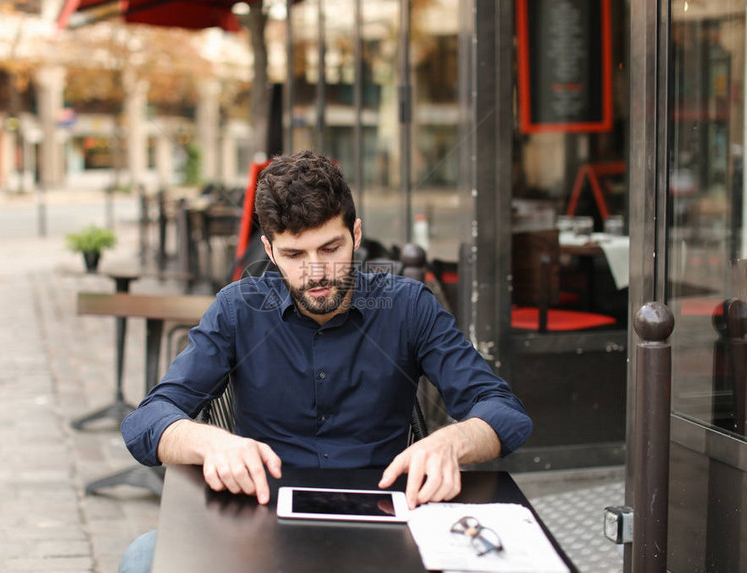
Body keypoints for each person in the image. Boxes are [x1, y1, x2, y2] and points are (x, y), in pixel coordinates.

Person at [118, 150, 532, 572]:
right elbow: (145, 422)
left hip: (382, 523)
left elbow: (505, 413)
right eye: (295, 255)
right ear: (270, 250)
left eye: (330, 247)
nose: (316, 272)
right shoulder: (238, 309)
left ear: (356, 234)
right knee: (141, 558)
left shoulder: (408, 307)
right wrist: (208, 441)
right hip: (260, 521)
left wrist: (452, 441)